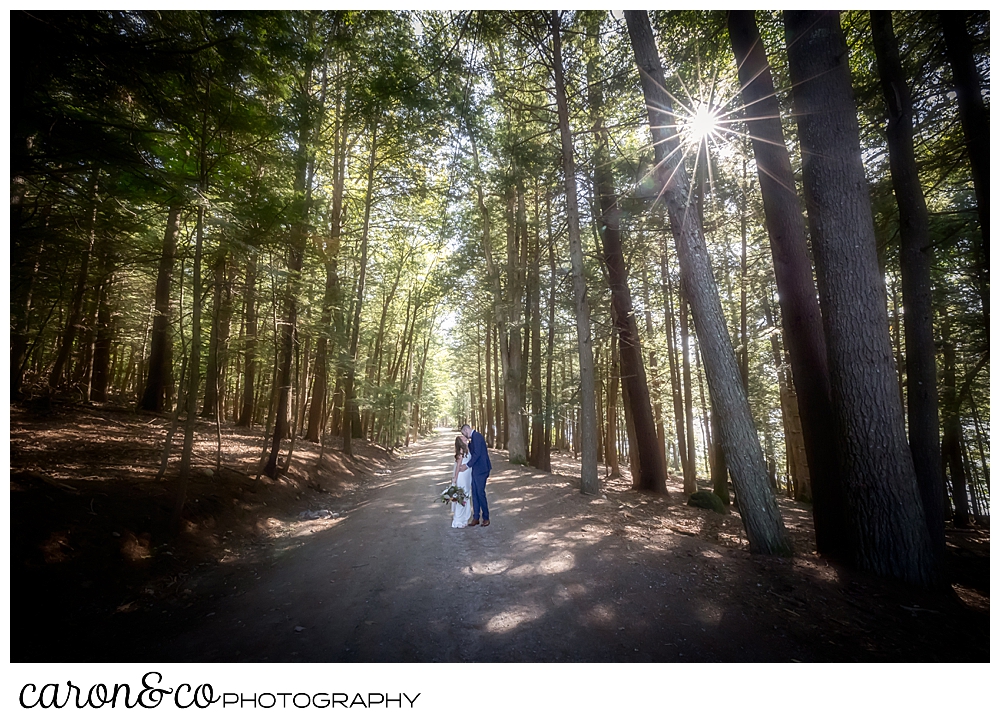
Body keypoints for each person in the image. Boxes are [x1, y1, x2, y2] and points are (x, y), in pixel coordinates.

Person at [460, 423, 491, 527]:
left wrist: (467, 466)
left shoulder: (477, 436)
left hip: (482, 469)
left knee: (480, 493)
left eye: (464, 434)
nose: (464, 436)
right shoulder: (473, 439)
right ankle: (476, 517)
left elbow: (477, 454)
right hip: (476, 470)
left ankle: (486, 517)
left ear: (466, 430)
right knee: (474, 493)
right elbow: (472, 452)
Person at [450, 435, 473, 528]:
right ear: (460, 441)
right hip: (462, 477)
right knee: (462, 497)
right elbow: (458, 466)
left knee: (467, 497)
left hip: (468, 476)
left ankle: (464, 519)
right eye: (463, 438)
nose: (465, 438)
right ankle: (457, 520)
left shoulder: (468, 448)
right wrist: (455, 478)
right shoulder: (461, 451)